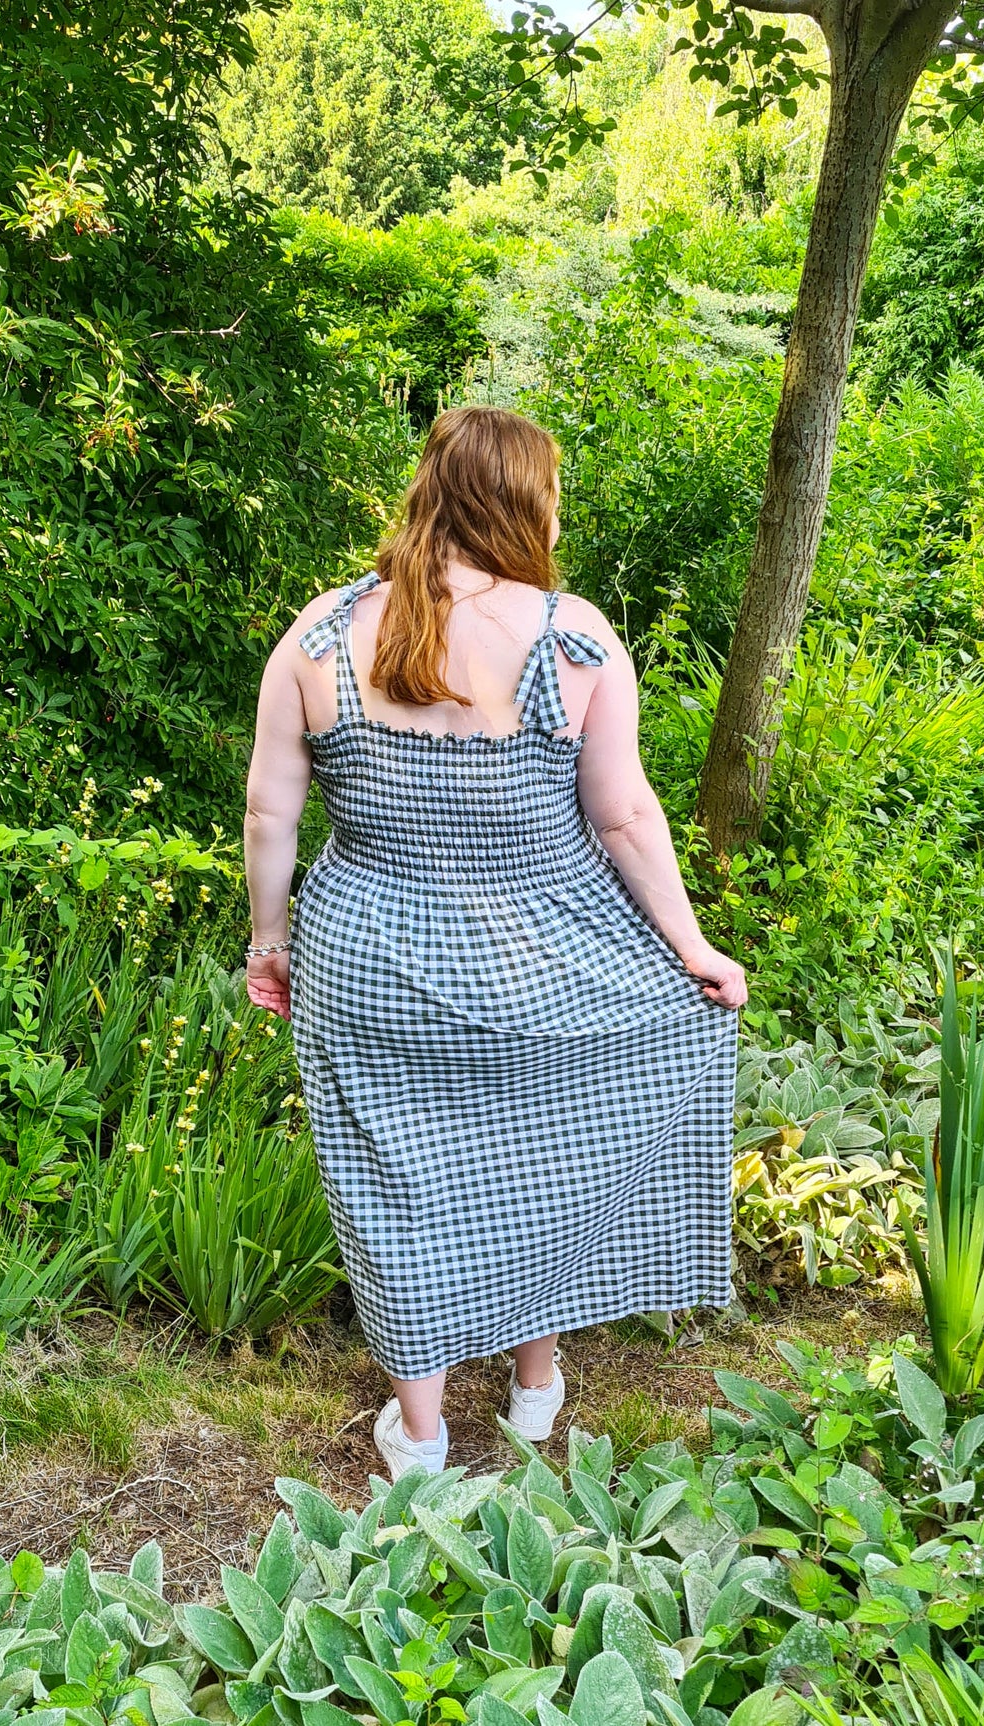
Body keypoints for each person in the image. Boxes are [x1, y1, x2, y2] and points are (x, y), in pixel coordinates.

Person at [243, 404, 746, 1479]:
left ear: (429, 487)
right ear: (526, 502)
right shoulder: (572, 636)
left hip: (368, 958)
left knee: (400, 1185)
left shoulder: (321, 631)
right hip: (542, 961)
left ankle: (419, 1439)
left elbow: (268, 816)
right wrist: (692, 949)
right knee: (543, 1157)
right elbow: (622, 819)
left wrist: (267, 943)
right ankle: (533, 1388)